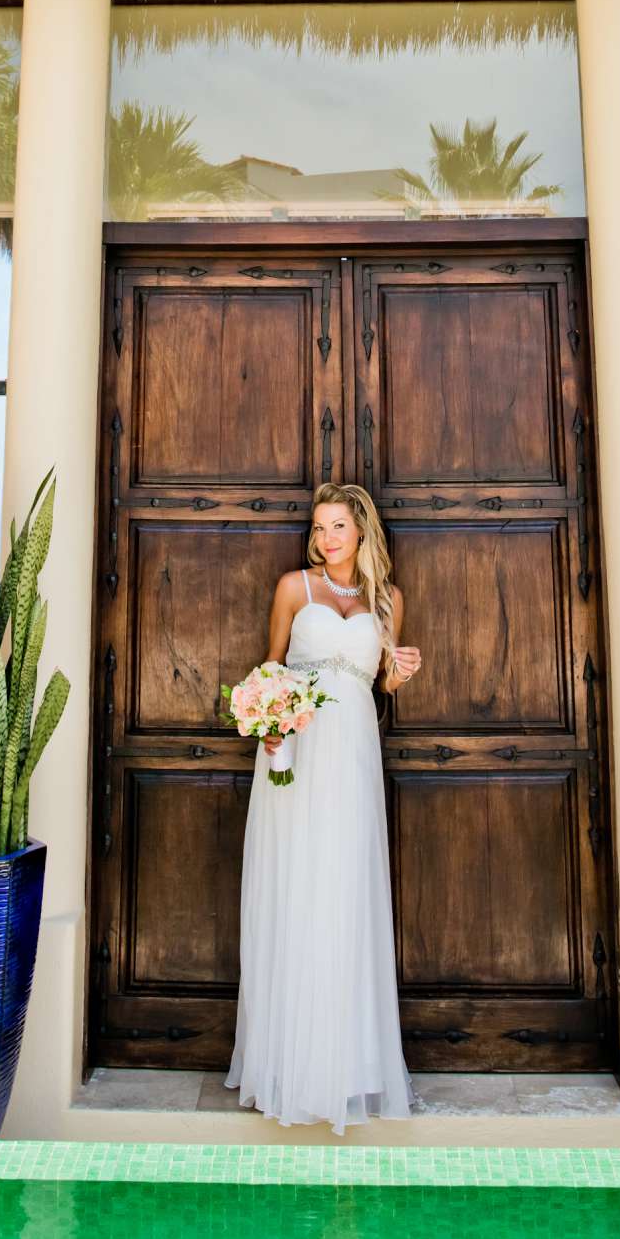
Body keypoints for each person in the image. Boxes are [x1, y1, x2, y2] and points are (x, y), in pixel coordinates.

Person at [226, 480, 421, 1131]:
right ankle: (290, 1063)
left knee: (345, 893)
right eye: (319, 528)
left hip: (355, 756)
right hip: (298, 751)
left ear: (361, 533)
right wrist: (268, 719)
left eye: (338, 527)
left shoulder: (387, 601)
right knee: (299, 889)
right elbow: (271, 665)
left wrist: (402, 668)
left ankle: (350, 1064)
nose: (326, 538)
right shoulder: (293, 589)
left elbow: (384, 678)